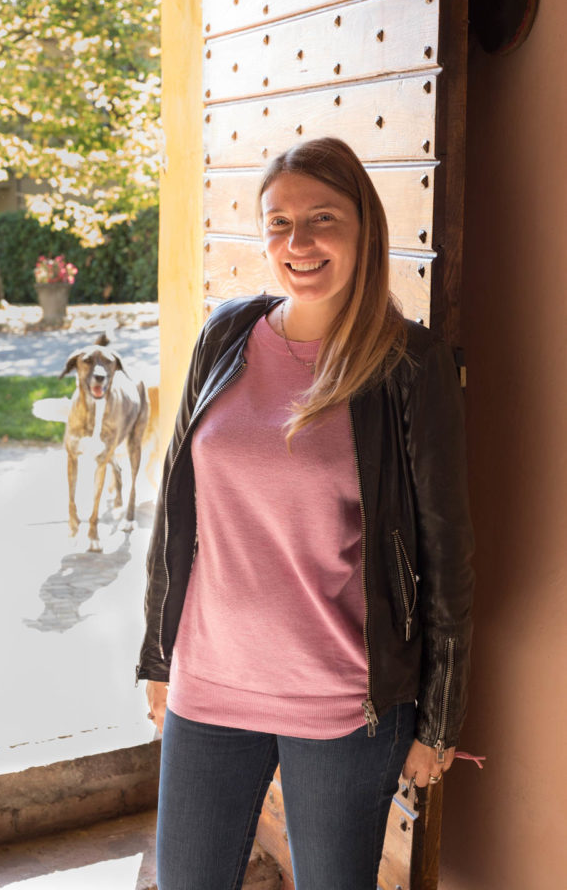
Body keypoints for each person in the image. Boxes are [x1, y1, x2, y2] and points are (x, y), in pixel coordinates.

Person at [137, 136, 474, 890]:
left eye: (322, 218)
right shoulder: (225, 334)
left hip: (341, 702)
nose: (299, 242)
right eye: (279, 222)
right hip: (209, 686)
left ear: (364, 228)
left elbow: (445, 554)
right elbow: (176, 509)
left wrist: (437, 722)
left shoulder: (409, 366)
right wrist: (159, 653)